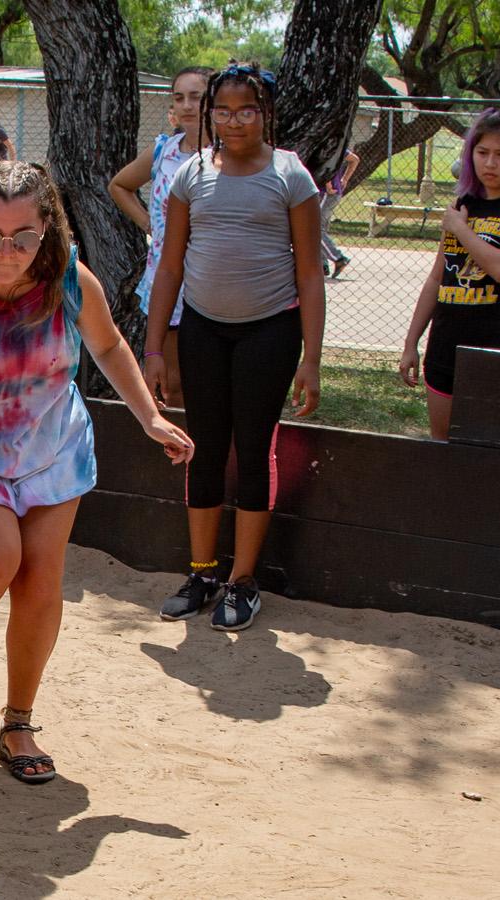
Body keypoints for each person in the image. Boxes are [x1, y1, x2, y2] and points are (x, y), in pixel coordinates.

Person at [0, 160, 192, 784]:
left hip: (54, 451)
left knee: (40, 583)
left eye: (24, 236)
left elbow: (107, 346)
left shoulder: (70, 282)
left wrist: (149, 417)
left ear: (48, 228)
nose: (6, 252)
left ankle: (18, 721)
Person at [143, 63, 325, 632]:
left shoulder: (291, 176)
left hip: (269, 332)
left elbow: (310, 274)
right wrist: (152, 349)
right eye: (222, 110)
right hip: (201, 329)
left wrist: (312, 360)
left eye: (246, 110)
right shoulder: (190, 175)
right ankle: (201, 573)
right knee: (202, 445)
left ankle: (242, 581)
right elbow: (169, 265)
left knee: (253, 449)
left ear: (265, 113)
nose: (233, 120)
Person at [398, 108, 500, 441]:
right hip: (447, 340)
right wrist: (412, 341)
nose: (490, 164)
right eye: (482, 153)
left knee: (489, 450)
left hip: (498, 342)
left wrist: (460, 230)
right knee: (443, 445)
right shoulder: (464, 203)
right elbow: (437, 278)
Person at [108, 65, 212, 408]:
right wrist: (149, 224)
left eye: (195, 97)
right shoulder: (164, 151)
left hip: (213, 277)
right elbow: (119, 186)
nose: (186, 106)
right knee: (172, 378)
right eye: (179, 97)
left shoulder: (228, 154)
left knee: (210, 375)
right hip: (168, 279)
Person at [321, 147, 359, 279]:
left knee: (313, 229)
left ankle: (338, 258)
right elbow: (354, 159)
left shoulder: (326, 145)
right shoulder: (338, 145)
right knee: (321, 229)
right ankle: (322, 264)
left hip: (326, 193)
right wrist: (344, 179)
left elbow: (324, 164)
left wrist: (329, 184)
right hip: (331, 193)